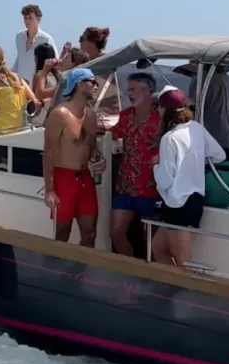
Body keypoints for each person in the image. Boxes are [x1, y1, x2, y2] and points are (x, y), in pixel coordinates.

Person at [151, 87, 225, 267]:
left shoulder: (169, 138)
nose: (157, 110)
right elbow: (220, 155)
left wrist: (156, 165)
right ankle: (173, 288)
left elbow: (164, 180)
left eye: (159, 106)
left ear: (166, 109)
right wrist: (195, 163)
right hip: (194, 200)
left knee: (184, 261)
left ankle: (185, 293)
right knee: (158, 248)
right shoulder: (196, 128)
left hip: (178, 204)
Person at [43, 68, 106, 247]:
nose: (96, 86)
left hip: (85, 177)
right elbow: (48, 153)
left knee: (90, 232)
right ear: (80, 84)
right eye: (93, 82)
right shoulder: (60, 114)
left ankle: (81, 273)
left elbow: (90, 147)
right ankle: (55, 271)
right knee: (62, 233)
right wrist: (49, 189)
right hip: (64, 178)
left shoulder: (91, 115)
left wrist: (98, 158)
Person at [108, 72, 161, 256]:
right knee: (116, 233)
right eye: (128, 89)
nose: (129, 93)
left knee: (150, 241)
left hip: (150, 187)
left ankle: (150, 276)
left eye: (133, 89)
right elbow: (112, 134)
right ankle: (130, 272)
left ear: (147, 91)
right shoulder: (125, 116)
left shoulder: (160, 119)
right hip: (124, 186)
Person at [187, 64, 229, 162]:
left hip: (213, 141)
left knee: (209, 176)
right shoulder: (227, 79)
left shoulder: (199, 79)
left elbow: (190, 105)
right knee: (227, 174)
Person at [12, 4, 58, 85]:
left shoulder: (46, 38)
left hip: (37, 84)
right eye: (25, 18)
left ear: (38, 19)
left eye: (30, 18)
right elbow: (20, 57)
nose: (27, 21)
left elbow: (54, 61)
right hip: (20, 84)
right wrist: (11, 74)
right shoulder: (19, 37)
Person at [31, 42, 60, 126]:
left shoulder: (40, 75)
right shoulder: (56, 74)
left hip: (42, 117)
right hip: (54, 115)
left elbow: (35, 96)